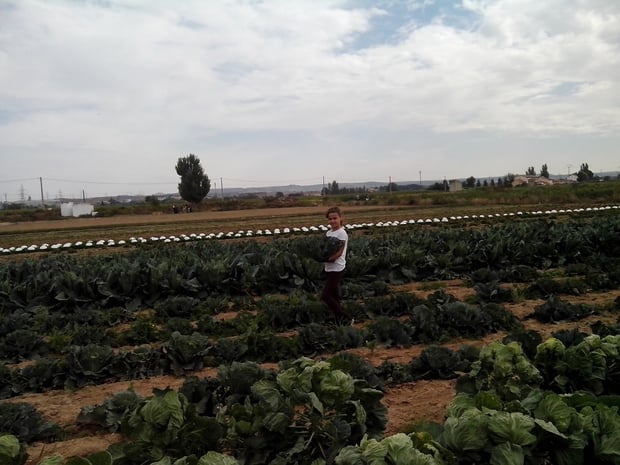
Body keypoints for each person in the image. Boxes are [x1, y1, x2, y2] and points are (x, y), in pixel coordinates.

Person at [321, 206, 350, 325]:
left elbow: (339, 252)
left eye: (335, 218)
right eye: (330, 219)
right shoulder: (328, 233)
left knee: (326, 296)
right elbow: (325, 249)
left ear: (340, 218)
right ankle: (339, 320)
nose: (332, 221)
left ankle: (346, 318)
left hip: (337, 268)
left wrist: (328, 258)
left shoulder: (342, 233)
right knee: (334, 295)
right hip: (329, 267)